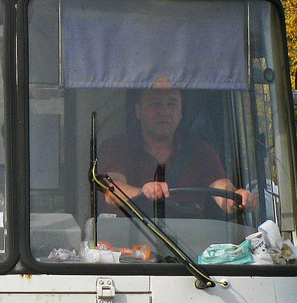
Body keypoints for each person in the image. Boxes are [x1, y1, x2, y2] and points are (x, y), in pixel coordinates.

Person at [98, 79, 254, 216]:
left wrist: (237, 198)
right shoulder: (116, 148)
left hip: (186, 247)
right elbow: (112, 190)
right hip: (125, 244)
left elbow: (221, 188)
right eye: (155, 104)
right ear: (138, 111)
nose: (165, 112)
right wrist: (143, 193)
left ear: (181, 113)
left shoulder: (199, 151)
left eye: (172, 104)